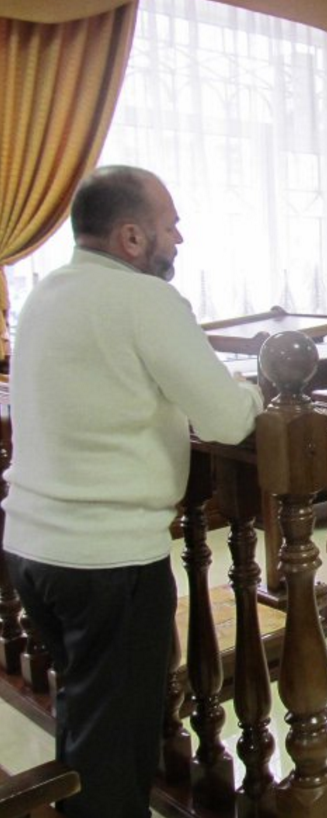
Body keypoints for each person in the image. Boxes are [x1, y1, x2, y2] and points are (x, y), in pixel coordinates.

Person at [3, 166, 263, 817]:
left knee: (86, 710)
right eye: (170, 226)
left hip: (31, 549)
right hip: (106, 562)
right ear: (131, 236)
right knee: (118, 748)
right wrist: (253, 389)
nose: (179, 238)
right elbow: (226, 419)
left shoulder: (45, 293)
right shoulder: (146, 300)